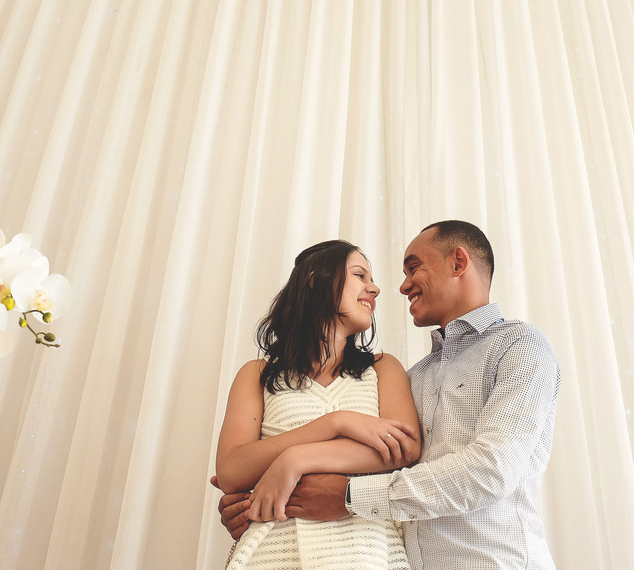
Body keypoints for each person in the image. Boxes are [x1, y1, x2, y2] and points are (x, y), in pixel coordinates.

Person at [218, 221, 561, 570]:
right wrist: (251, 497)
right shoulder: (418, 376)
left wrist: (341, 491)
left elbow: (491, 469)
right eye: (360, 275)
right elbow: (391, 459)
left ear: (458, 262)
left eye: (413, 268)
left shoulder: (519, 346)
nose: (399, 286)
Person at [214, 239, 422, 569]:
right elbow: (231, 471)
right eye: (360, 275)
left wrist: (295, 460)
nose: (375, 288)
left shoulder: (383, 368)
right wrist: (337, 423)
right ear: (316, 281)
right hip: (273, 553)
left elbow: (404, 447)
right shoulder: (257, 374)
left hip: (368, 553)